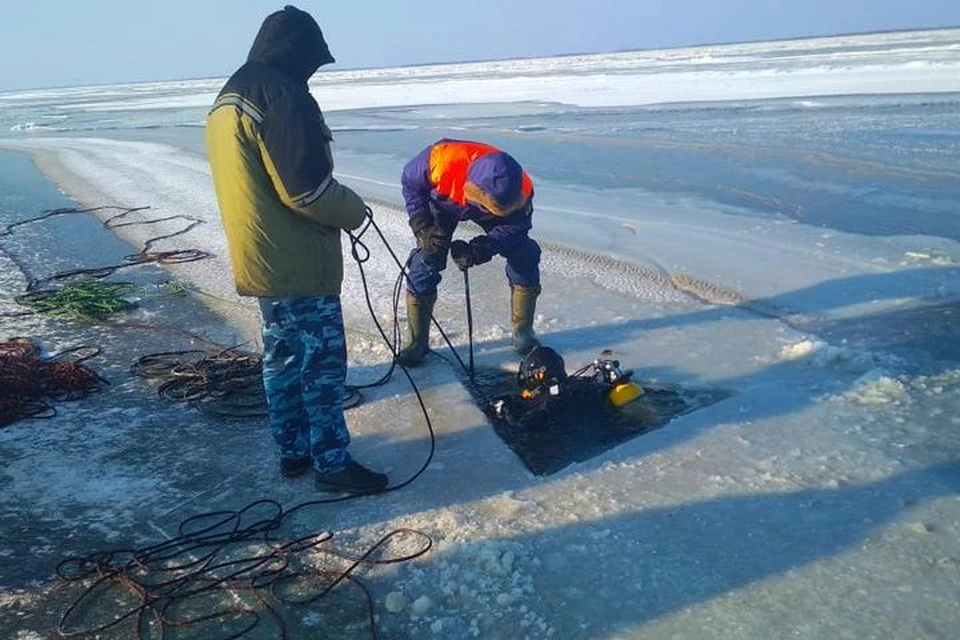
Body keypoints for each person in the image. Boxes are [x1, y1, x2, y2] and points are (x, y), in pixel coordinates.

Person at [205, 5, 387, 494]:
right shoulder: (280, 94)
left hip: (262, 258)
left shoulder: (230, 96)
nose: (314, 73)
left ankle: (294, 451)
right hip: (298, 261)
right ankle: (331, 463)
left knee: (282, 360)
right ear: (295, 54)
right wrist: (355, 210)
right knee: (321, 366)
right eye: (313, 62)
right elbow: (306, 192)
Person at [397, 139, 542, 367]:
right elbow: (410, 184)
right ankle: (416, 342)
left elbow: (516, 227)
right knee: (427, 258)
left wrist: (485, 247)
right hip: (443, 201)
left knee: (524, 253)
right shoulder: (439, 160)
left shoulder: (521, 188)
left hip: (492, 215)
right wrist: (422, 225)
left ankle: (523, 333)